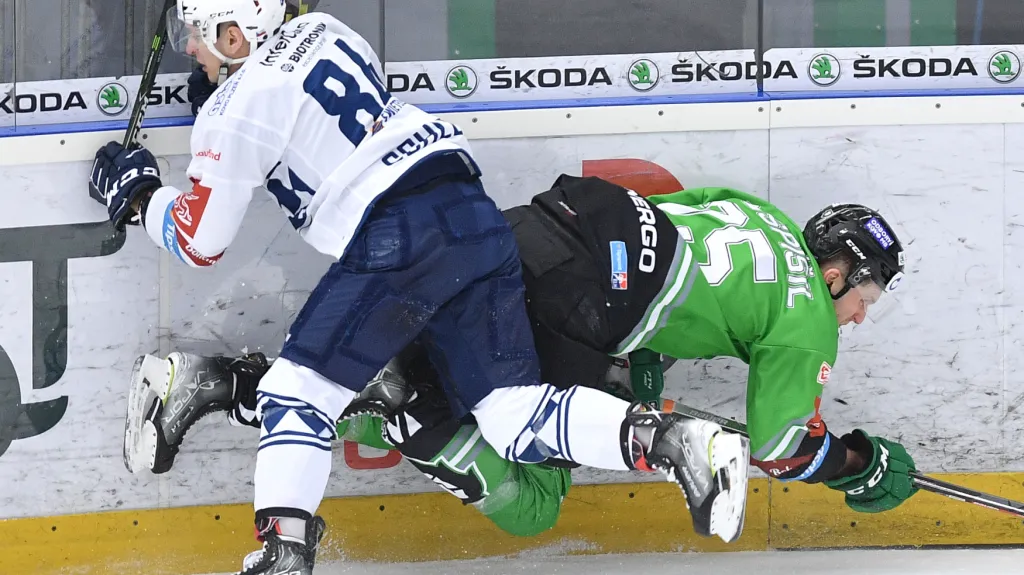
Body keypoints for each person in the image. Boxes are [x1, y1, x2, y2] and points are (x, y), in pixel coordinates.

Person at [92, 3, 742, 574]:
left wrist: (141, 195)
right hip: (472, 214)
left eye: (203, 35)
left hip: (398, 234)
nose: (193, 49)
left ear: (238, 35)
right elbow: (288, 105)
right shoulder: (325, 29)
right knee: (514, 416)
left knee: (296, 392)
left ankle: (282, 555)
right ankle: (676, 441)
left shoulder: (235, 112)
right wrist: (224, 98)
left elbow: (199, 239)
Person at [127, 174, 919, 540]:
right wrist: (858, 462)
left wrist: (632, 355)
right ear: (838, 268)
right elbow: (781, 447)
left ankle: (207, 381)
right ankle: (399, 405)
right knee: (534, 497)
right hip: (588, 301)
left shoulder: (759, 213)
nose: (855, 317)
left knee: (385, 356)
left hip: (551, 223)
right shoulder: (808, 313)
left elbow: (661, 234)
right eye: (864, 298)